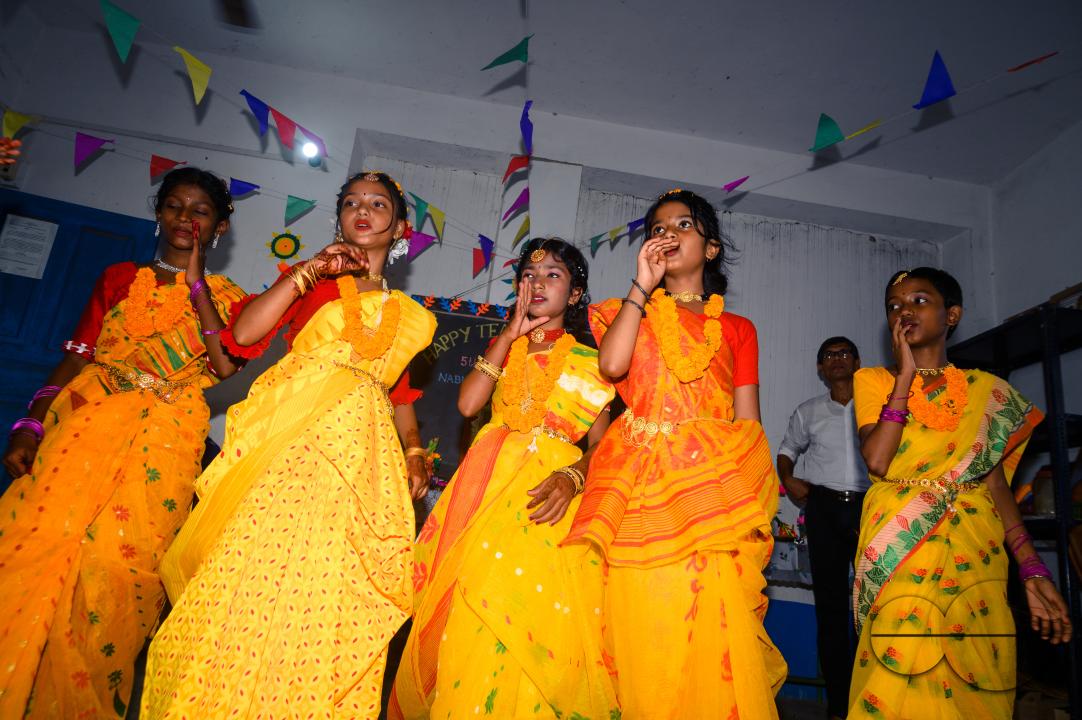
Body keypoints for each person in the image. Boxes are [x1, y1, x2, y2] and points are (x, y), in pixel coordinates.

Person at [140, 171, 436, 719]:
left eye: (377, 205)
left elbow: (400, 393)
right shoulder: (315, 280)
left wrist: (415, 451)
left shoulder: (411, 316)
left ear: (401, 226)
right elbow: (246, 334)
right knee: (254, 568)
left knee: (330, 583)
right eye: (350, 203)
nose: (362, 212)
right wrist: (306, 271)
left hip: (361, 456)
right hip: (293, 442)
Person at [0, 167, 246, 719]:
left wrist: (198, 283)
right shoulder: (119, 277)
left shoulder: (233, 299)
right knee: (40, 544)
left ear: (221, 227)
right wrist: (31, 423)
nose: (186, 219)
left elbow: (226, 363)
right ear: (158, 214)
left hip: (164, 441)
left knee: (114, 568)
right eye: (175, 207)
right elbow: (78, 351)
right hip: (85, 423)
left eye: (200, 211)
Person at [565, 188, 787, 718]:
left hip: (710, 491)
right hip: (638, 484)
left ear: (710, 248)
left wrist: (751, 508)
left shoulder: (738, 328)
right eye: (658, 229)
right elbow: (613, 367)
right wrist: (641, 287)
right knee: (641, 618)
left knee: (704, 622)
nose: (668, 235)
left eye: (683, 225)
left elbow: (748, 422)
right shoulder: (626, 312)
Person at [390, 238, 618, 719]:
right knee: (468, 613)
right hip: (484, 494)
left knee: (525, 621)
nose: (538, 284)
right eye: (529, 276)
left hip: (546, 498)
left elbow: (604, 446)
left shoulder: (591, 362)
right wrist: (509, 332)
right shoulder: (506, 348)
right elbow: (469, 405)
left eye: (553, 275)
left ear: (575, 295)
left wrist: (573, 476)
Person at [848, 267, 1072, 719]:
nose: (904, 311)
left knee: (973, 665)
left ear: (952, 315)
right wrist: (905, 379)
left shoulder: (988, 393)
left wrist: (1031, 568)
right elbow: (877, 460)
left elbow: (994, 484)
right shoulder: (873, 380)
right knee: (900, 661)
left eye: (918, 300)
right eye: (893, 306)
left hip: (976, 546)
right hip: (899, 543)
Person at [777, 336, 869, 719]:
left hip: (870, 506)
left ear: (857, 361)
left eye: (844, 352)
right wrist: (790, 479)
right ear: (820, 368)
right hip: (824, 508)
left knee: (874, 605)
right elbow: (786, 452)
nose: (837, 360)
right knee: (831, 609)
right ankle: (838, 706)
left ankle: (875, 701)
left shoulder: (877, 408)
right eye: (829, 355)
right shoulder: (808, 411)